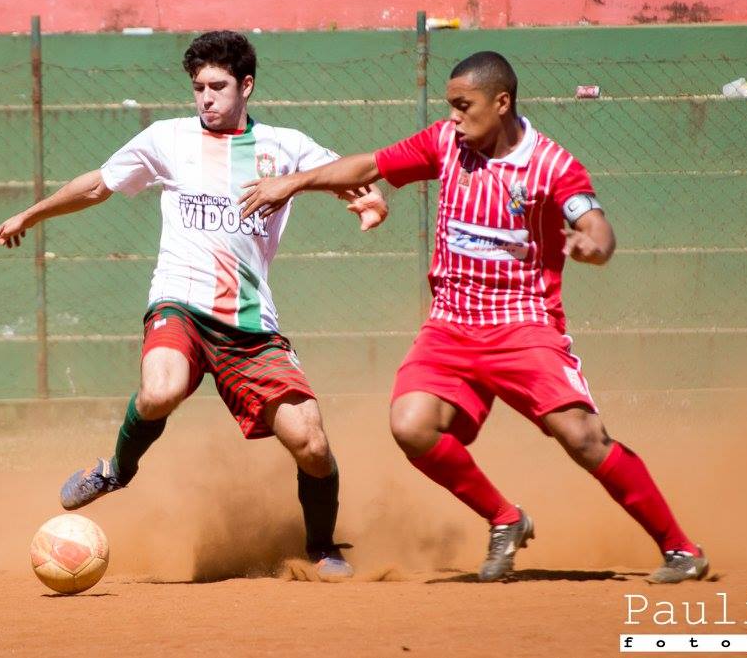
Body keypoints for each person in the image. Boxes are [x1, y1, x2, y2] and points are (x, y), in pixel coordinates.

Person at [237, 51, 708, 584]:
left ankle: (680, 549)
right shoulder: (445, 143)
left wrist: (590, 246)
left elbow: (596, 227)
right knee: (410, 425)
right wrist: (292, 182)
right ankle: (506, 519)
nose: (454, 117)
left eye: (464, 106)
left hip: (523, 326)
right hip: (450, 326)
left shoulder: (552, 165)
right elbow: (369, 166)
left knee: (582, 438)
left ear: (501, 103)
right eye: (451, 106)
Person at [0, 30, 387, 577]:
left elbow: (348, 173)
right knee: (160, 390)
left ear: (246, 85)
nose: (206, 97)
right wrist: (31, 214)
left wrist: (370, 198)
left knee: (311, 443)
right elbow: (98, 186)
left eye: (217, 86)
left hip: (249, 325)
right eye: (198, 87)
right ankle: (116, 469)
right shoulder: (168, 138)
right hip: (178, 303)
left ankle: (322, 546)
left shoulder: (284, 146)